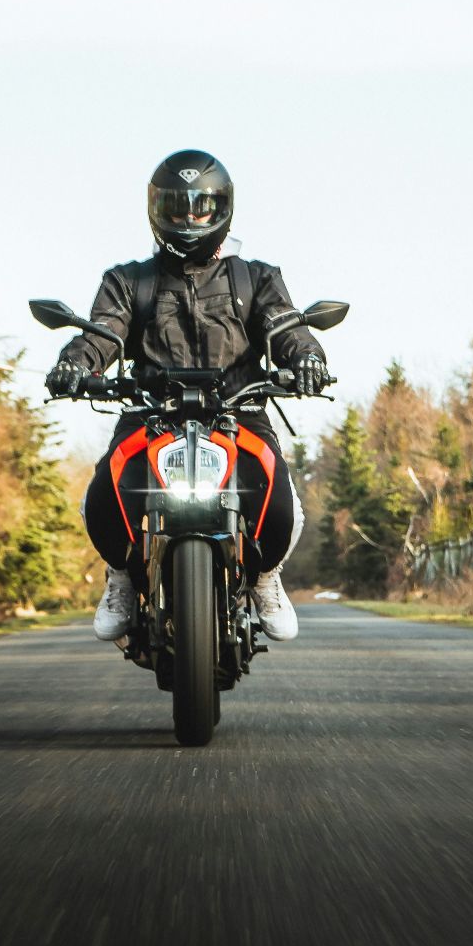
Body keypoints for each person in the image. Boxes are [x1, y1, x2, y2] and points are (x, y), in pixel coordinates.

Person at [46, 149, 330, 644]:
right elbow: (102, 333)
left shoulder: (256, 278)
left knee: (280, 494)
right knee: (103, 491)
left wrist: (307, 357)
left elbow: (286, 327)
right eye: (178, 208)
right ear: (158, 210)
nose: (190, 218)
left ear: (222, 209)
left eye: (201, 207)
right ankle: (121, 576)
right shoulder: (128, 281)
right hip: (150, 411)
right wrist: (76, 362)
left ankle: (265, 578)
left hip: (237, 411)